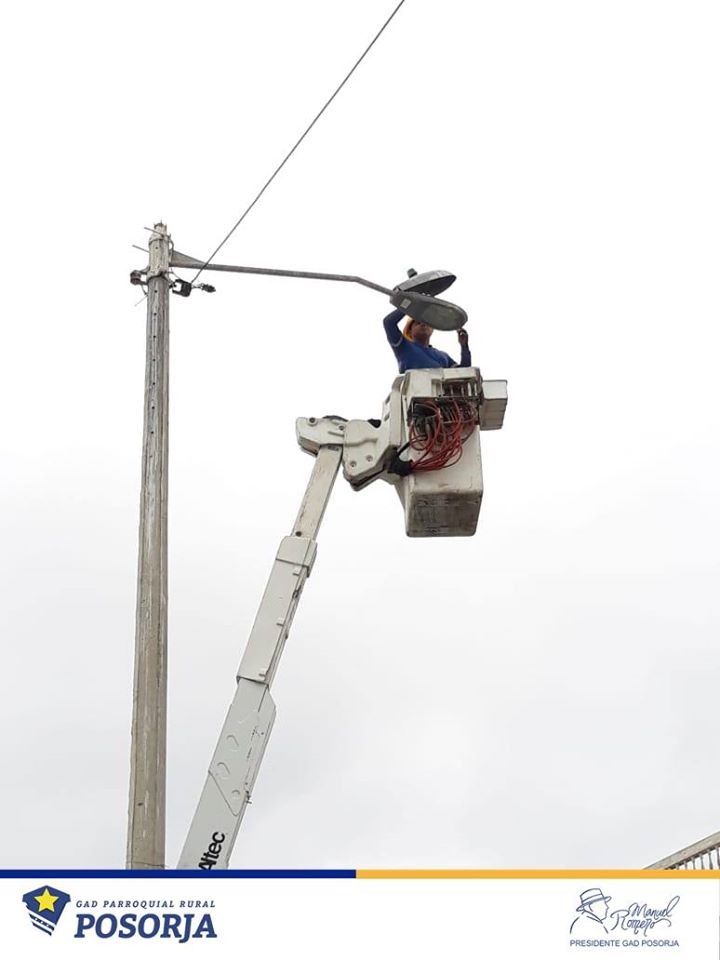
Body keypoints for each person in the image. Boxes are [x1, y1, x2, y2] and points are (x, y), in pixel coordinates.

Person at [383, 307, 471, 373]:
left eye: (427, 323)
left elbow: (463, 373)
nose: (423, 324)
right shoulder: (403, 346)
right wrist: (411, 305)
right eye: (418, 323)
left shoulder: (443, 356)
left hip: (438, 392)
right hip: (415, 391)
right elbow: (388, 322)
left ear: (433, 329)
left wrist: (464, 347)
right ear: (410, 331)